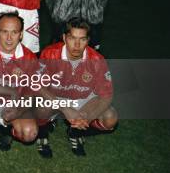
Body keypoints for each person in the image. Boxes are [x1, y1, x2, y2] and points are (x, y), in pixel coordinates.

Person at [35, 17, 118, 158]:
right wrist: (65, 109)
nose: (77, 44)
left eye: (82, 39)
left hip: (82, 100)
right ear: (64, 38)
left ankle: (76, 132)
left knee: (110, 119)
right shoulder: (50, 54)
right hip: (56, 98)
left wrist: (87, 118)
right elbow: (38, 86)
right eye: (72, 38)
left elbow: (106, 95)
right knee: (40, 107)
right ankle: (42, 135)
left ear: (88, 40)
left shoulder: (97, 60)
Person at [0, 11, 38, 159]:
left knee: (29, 132)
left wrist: (18, 111)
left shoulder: (29, 57)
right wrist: (11, 91)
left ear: (21, 34)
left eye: (14, 32)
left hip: (12, 104)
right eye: (4, 32)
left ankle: (5, 128)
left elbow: (33, 93)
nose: (9, 38)